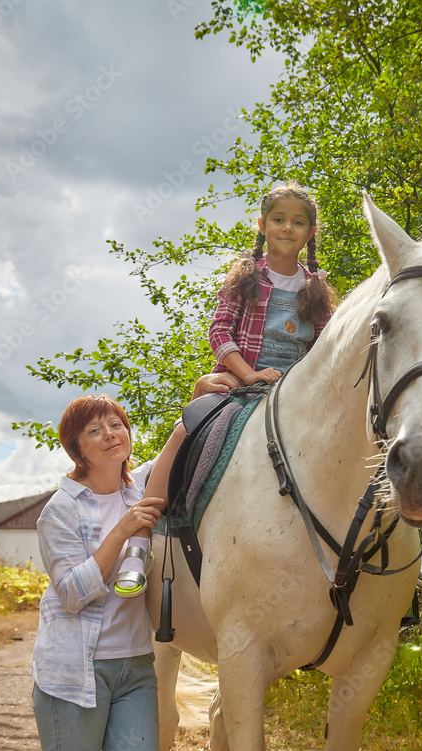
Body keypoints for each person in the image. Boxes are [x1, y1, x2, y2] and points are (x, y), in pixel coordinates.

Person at [31, 377, 228, 751]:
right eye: (96, 429)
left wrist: (196, 407)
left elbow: (171, 460)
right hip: (73, 675)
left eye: (116, 422)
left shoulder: (141, 484)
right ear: (77, 449)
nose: (111, 432)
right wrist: (124, 532)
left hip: (135, 670)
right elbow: (71, 593)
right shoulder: (60, 511)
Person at [113, 181, 333, 596]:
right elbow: (219, 330)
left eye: (298, 222)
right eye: (279, 219)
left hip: (296, 392)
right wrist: (247, 373)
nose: (288, 228)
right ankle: (140, 542)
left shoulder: (315, 287)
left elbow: (323, 346)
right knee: (185, 431)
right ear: (263, 225)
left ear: (310, 232)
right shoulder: (246, 278)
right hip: (240, 384)